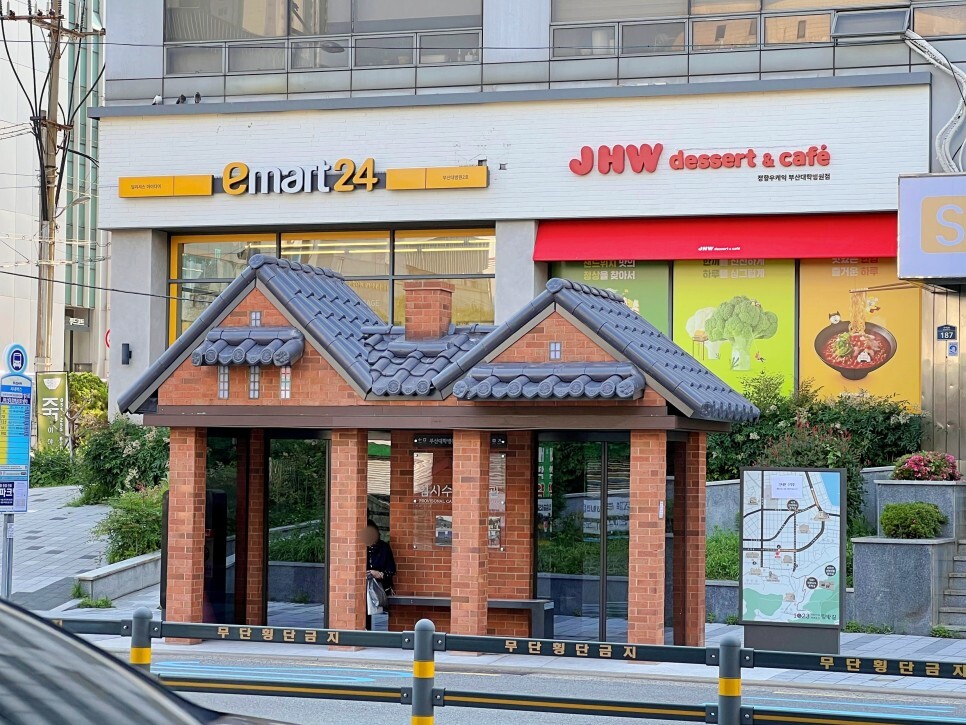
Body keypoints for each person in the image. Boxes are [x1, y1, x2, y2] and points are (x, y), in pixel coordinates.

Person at [363, 519, 396, 630]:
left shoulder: (383, 547)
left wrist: (379, 574)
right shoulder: (361, 548)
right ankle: (365, 631)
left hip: (381, 587)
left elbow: (392, 570)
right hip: (364, 587)